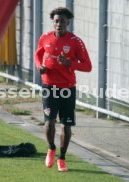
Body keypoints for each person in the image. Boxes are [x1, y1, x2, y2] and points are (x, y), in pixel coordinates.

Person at [34, 7, 92, 172]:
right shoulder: (45, 38)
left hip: (67, 88)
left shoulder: (75, 41)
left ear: (68, 22)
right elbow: (38, 55)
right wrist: (40, 67)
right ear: (53, 22)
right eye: (56, 21)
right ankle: (51, 148)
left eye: (62, 21)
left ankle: (62, 157)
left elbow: (88, 66)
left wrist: (70, 64)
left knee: (66, 125)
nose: (59, 24)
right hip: (49, 86)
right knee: (49, 121)